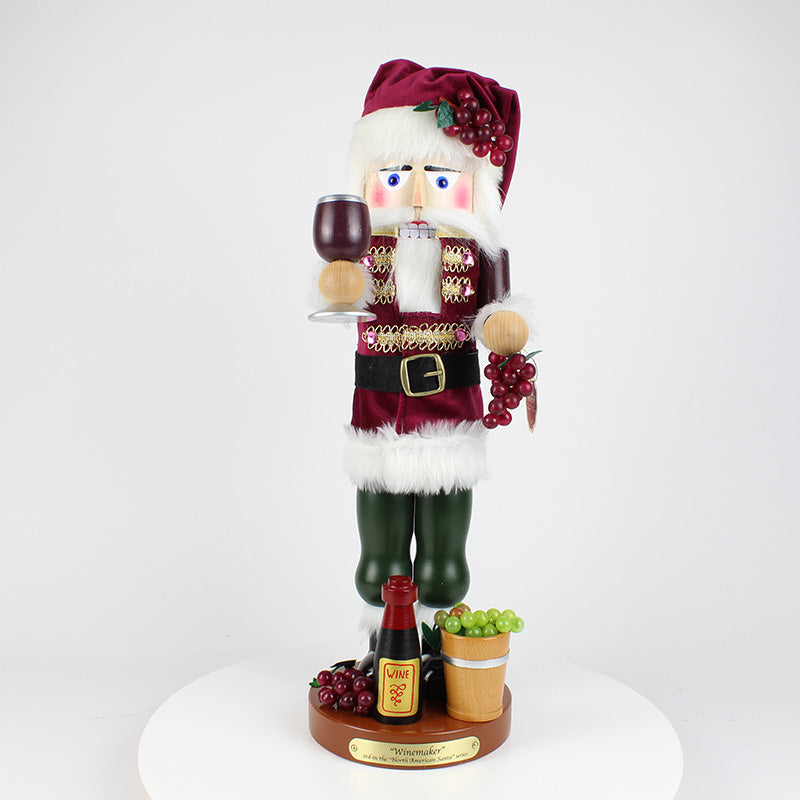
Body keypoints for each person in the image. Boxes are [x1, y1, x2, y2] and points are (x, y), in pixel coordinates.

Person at [319, 60, 533, 633]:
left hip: (451, 410)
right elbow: (340, 291)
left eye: (439, 180)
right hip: (378, 410)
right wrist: (337, 280)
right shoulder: (362, 250)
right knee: (379, 566)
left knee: (443, 569)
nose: (416, 196)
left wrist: (504, 326)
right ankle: (385, 640)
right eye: (395, 178)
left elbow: (499, 313)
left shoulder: (479, 253)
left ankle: (438, 639)